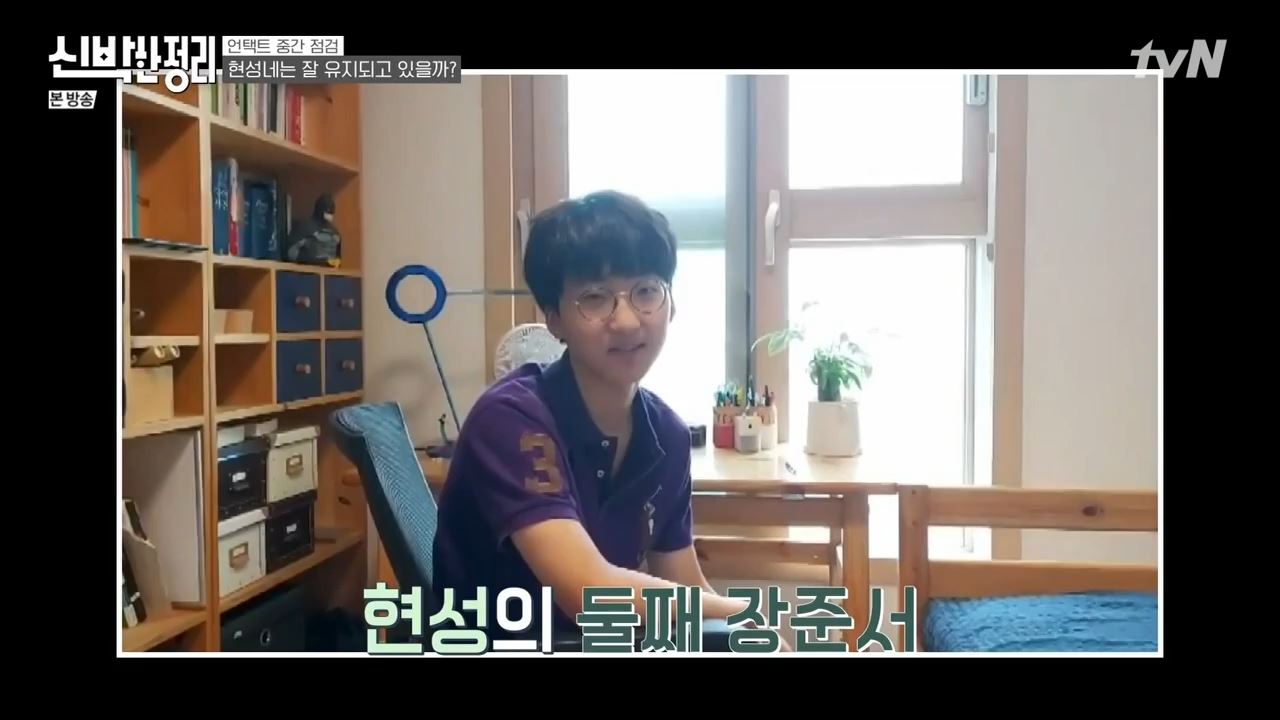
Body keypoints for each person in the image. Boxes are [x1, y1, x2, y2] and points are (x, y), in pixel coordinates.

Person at [432, 190, 788, 650]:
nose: (626, 322)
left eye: (646, 291)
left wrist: (753, 633)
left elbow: (686, 586)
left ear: (672, 303)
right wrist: (744, 614)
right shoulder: (511, 419)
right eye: (595, 299)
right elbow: (589, 594)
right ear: (554, 319)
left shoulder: (666, 435)